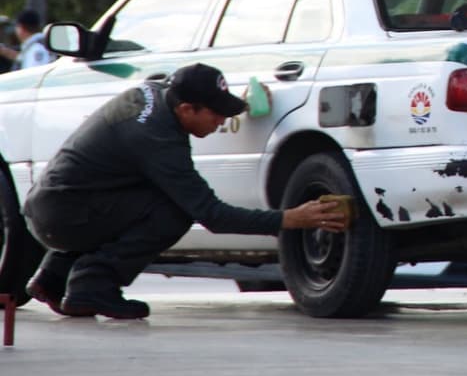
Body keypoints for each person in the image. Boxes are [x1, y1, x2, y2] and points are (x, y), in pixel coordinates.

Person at [21, 63, 349, 320]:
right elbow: (213, 216)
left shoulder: (153, 96)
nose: (221, 121)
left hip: (54, 208)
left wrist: (245, 106)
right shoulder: (158, 141)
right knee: (175, 211)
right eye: (216, 114)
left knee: (136, 191)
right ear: (187, 110)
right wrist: (289, 218)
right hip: (65, 217)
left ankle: (53, 277)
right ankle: (94, 284)